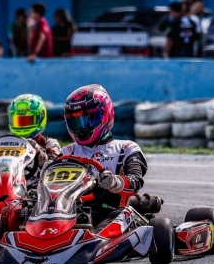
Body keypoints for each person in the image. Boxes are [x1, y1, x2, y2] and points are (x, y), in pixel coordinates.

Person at [60, 84, 148, 228]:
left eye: (89, 119)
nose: (82, 128)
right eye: (76, 122)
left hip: (111, 211)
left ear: (106, 113)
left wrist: (115, 182)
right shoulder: (66, 153)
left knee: (111, 222)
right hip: (68, 213)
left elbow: (135, 181)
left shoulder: (126, 148)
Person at [0, 94, 61, 183]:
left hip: (34, 189)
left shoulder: (49, 143)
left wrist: (38, 152)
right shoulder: (3, 143)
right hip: (5, 184)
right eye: (18, 121)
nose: (22, 126)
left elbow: (55, 169)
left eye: (27, 121)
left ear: (41, 118)